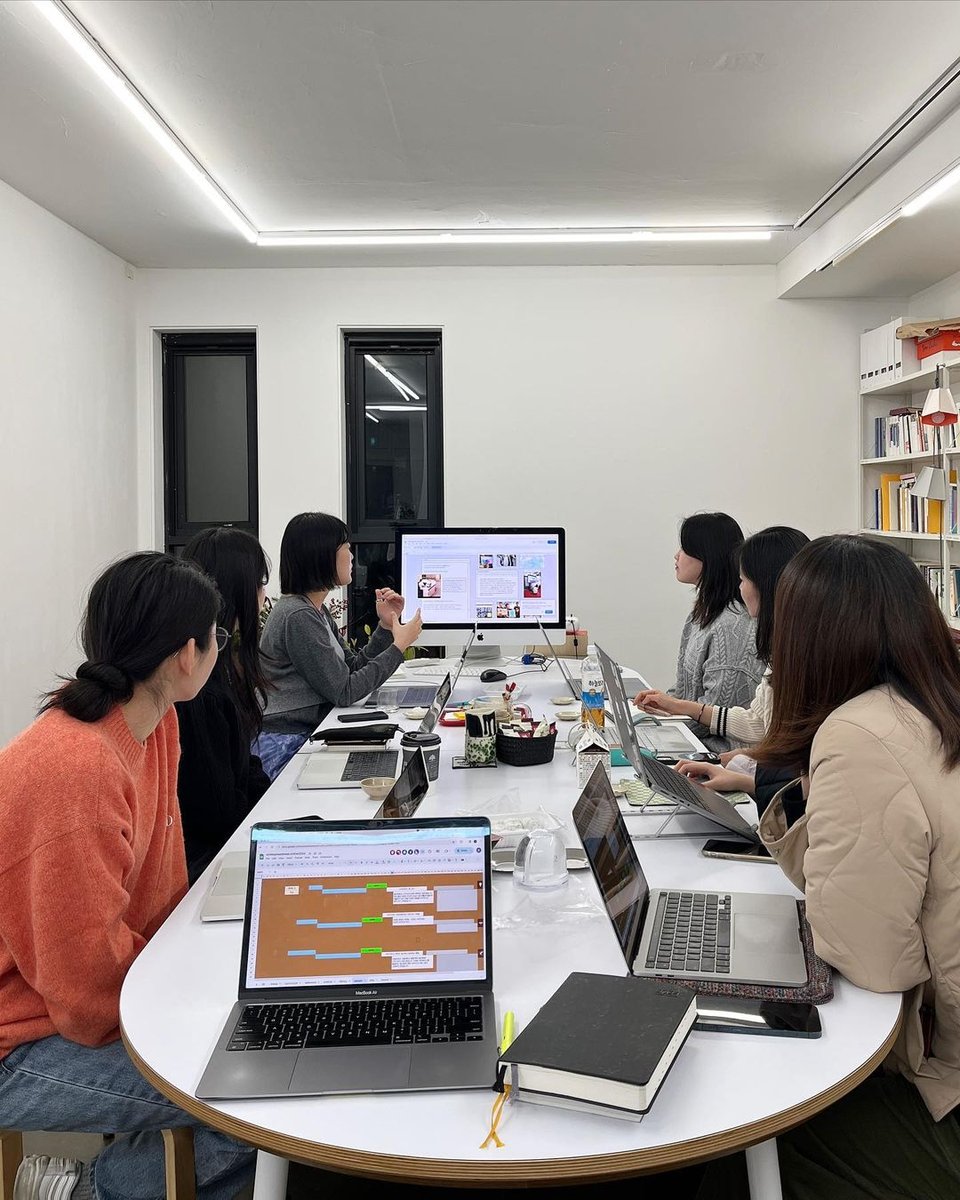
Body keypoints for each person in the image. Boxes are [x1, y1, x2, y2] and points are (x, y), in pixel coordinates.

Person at [697, 535, 960, 1200]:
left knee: (722, 1110)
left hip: (939, 1088)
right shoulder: (935, 702)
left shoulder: (862, 734)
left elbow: (871, 963)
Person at [0, 552, 255, 1200]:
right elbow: (84, 997)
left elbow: (160, 891)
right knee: (253, 1104)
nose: (220, 647)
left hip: (81, 1000)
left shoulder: (154, 722)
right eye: (215, 635)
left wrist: (200, 982)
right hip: (20, 1040)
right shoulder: (74, 769)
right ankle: (91, 1190)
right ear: (183, 655)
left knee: (256, 1049)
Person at [639, 526, 809, 797]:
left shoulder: (740, 629)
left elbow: (793, 753)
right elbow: (759, 721)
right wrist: (674, 706)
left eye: (743, 580)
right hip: (757, 771)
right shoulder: (780, 643)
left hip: (759, 777)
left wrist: (747, 763)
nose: (739, 588)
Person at [259, 513, 422, 749]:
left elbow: (351, 669)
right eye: (346, 547)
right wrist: (398, 647)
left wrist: (386, 626)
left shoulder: (314, 610)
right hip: (288, 739)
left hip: (309, 730)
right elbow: (345, 691)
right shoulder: (298, 616)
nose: (353, 556)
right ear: (322, 555)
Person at [176, 527, 272, 882]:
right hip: (208, 862)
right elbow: (218, 813)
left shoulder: (221, 669)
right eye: (260, 584)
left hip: (223, 841)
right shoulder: (197, 690)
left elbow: (242, 766)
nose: (264, 597)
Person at [634, 512, 762, 751]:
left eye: (685, 549)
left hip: (716, 751)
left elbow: (714, 717)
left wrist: (656, 726)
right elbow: (683, 692)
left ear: (707, 557)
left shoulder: (733, 625)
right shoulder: (701, 614)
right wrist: (658, 706)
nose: (677, 555)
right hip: (693, 739)